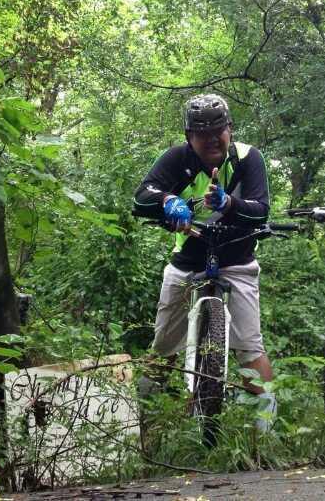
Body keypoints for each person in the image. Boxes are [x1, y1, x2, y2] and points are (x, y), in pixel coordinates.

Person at [132, 93, 276, 431]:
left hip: (238, 258)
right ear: (189, 136)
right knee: (164, 345)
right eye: (202, 133)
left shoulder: (247, 159)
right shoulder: (176, 159)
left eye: (218, 130)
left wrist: (228, 204)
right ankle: (145, 422)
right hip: (188, 260)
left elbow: (261, 209)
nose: (212, 139)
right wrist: (168, 201)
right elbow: (142, 196)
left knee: (250, 344)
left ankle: (264, 428)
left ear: (230, 129)